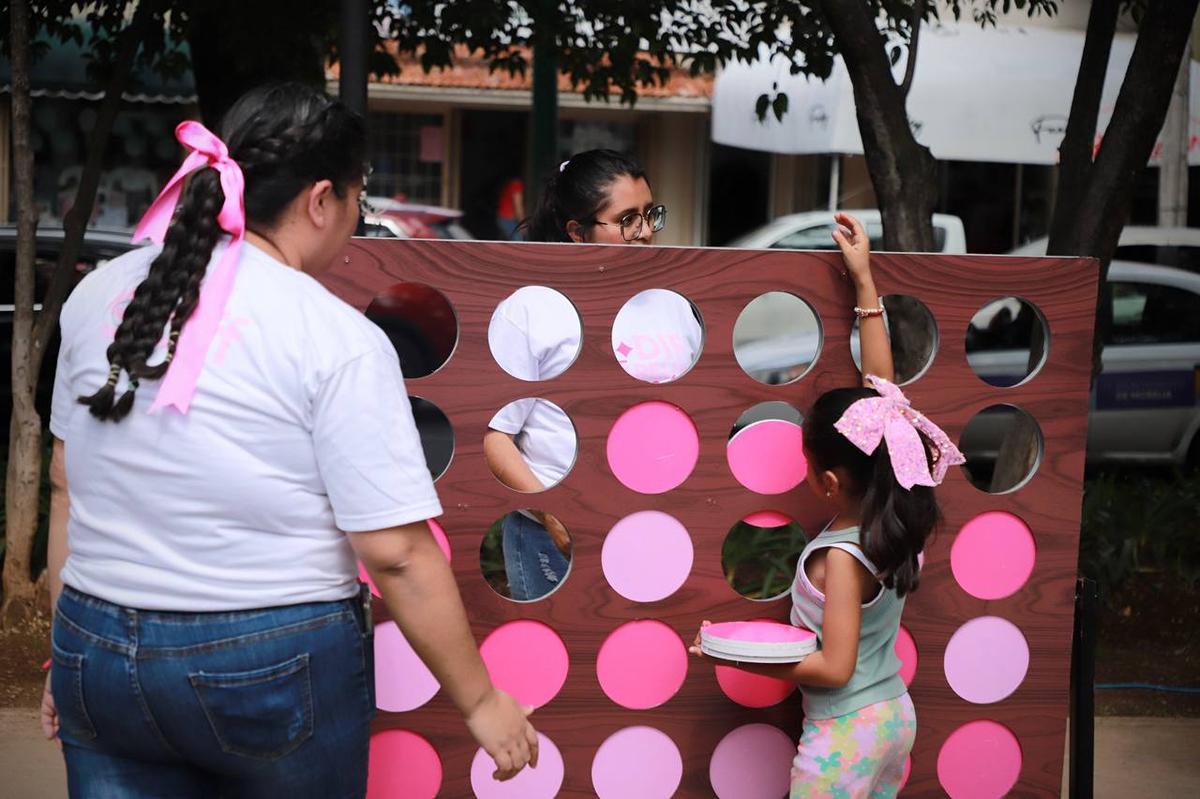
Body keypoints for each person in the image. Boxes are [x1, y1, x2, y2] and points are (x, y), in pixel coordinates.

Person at [41, 83, 537, 798]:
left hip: (96, 642)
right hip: (264, 660)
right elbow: (395, 553)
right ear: (320, 199)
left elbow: (66, 484)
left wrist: (66, 657)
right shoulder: (335, 337)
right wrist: (483, 702)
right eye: (358, 201)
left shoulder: (97, 297)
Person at [689, 214, 965, 799]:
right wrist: (864, 284)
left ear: (829, 481)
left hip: (846, 732)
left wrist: (737, 658)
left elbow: (834, 668)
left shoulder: (841, 557)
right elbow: (884, 401)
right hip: (893, 715)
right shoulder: (893, 513)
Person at [484, 149, 700, 600]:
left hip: (658, 526)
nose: (644, 233)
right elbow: (495, 436)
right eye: (626, 220)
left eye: (649, 215)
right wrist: (554, 516)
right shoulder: (531, 308)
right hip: (554, 534)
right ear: (577, 233)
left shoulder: (674, 305)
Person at [495, 172, 524, 240]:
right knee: (518, 241)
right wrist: (522, 224)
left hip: (501, 219)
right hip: (506, 219)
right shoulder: (516, 184)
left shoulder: (509, 183)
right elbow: (518, 207)